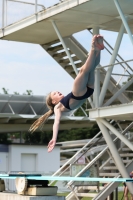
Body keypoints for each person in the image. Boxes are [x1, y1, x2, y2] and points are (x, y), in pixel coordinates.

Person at [29, 35, 104, 152]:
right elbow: (56, 122)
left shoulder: (61, 104)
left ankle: (98, 49)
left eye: (57, 91)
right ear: (54, 101)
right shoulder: (57, 108)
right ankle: (93, 48)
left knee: (92, 67)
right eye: (55, 93)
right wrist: (54, 138)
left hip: (87, 91)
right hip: (79, 93)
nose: (58, 92)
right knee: (82, 70)